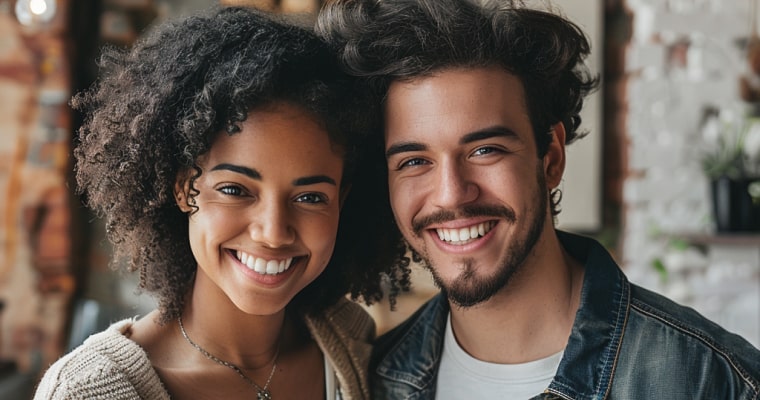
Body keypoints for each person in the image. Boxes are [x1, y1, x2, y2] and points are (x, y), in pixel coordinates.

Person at [316, 0, 760, 398]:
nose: (452, 193)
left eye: (485, 150)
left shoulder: (713, 381)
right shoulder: (371, 381)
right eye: (414, 161)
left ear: (551, 157)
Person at [33, 6, 403, 400]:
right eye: (235, 189)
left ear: (342, 201)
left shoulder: (348, 339)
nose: (273, 231)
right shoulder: (87, 392)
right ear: (182, 186)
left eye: (310, 197)